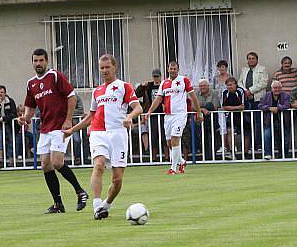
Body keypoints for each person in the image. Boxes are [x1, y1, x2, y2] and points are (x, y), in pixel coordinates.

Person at [64, 54, 141, 220]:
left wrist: (129, 117)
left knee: (117, 179)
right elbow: (91, 116)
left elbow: (138, 107)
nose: (104, 70)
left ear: (115, 67)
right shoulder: (97, 91)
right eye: (102, 68)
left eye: (107, 67)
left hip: (118, 134)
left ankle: (106, 206)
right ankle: (97, 205)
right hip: (98, 132)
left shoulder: (124, 87)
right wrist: (72, 130)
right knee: (98, 165)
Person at [20, 48, 88, 213]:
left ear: (47, 61)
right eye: (35, 61)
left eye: (41, 60)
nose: (38, 63)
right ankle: (58, 204)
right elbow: (30, 107)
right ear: (32, 62)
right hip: (45, 128)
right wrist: (25, 118)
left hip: (59, 127)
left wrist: (68, 120)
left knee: (57, 162)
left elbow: (71, 96)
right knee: (46, 165)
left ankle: (80, 192)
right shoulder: (31, 83)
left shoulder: (55, 76)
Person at [142, 60, 202, 174]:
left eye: (175, 68)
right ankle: (182, 161)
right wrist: (149, 112)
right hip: (168, 116)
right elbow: (158, 99)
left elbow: (193, 96)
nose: (173, 70)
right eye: (171, 68)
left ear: (178, 70)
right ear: (168, 69)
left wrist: (198, 112)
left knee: (175, 139)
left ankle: (173, 168)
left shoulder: (184, 80)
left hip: (180, 114)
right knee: (170, 143)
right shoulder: (164, 83)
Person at [238, 51, 268, 151]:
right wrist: (245, 91)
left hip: (258, 99)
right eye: (249, 58)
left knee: (258, 122)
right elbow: (240, 82)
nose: (251, 60)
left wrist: (250, 90)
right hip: (246, 99)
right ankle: (249, 146)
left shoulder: (262, 69)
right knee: (248, 123)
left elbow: (263, 83)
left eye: (253, 58)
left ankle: (258, 144)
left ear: (256, 59)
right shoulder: (244, 70)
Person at [259, 80, 292, 160]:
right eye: (275, 88)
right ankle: (268, 154)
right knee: (267, 136)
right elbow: (260, 105)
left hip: (283, 121)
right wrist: (269, 108)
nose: (277, 89)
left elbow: (287, 105)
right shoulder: (266, 95)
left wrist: (278, 108)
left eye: (278, 88)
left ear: (281, 88)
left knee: (285, 138)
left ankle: (284, 154)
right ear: (271, 88)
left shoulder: (286, 96)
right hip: (269, 121)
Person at [0, 85, 18, 168]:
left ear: (5, 93)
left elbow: (13, 114)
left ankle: (10, 160)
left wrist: (3, 118)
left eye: (2, 92)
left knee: (11, 140)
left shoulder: (10, 101)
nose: (0, 94)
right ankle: (0, 161)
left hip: (9, 124)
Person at [219, 77, 246, 157]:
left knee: (245, 132)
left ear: (235, 85)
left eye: (231, 85)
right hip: (229, 115)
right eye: (227, 85)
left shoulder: (240, 91)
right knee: (229, 130)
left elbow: (242, 107)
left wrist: (231, 108)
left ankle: (245, 153)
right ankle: (232, 152)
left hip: (242, 114)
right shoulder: (225, 92)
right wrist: (235, 108)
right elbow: (223, 107)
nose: (229, 87)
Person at [195, 78, 217, 157]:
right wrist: (202, 109)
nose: (202, 87)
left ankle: (212, 155)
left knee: (212, 136)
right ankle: (205, 155)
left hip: (211, 119)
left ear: (208, 86)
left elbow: (215, 106)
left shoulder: (214, 93)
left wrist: (202, 108)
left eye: (204, 86)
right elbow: (192, 106)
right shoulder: (196, 94)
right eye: (200, 86)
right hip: (200, 119)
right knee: (202, 136)